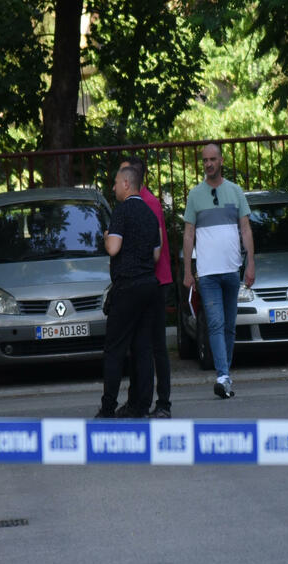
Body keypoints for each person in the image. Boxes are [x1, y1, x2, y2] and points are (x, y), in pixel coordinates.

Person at [182, 143, 255, 399]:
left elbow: (245, 229)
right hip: (208, 273)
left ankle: (225, 375)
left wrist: (251, 263)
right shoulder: (195, 195)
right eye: (205, 160)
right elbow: (188, 234)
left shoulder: (235, 191)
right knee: (215, 323)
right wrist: (187, 270)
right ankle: (222, 376)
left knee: (229, 326)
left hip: (231, 269)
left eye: (213, 159)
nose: (209, 164)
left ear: (221, 161)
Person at [94, 165, 161, 418]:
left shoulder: (122, 211)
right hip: (149, 286)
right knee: (143, 348)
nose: (113, 188)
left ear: (126, 184)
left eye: (115, 183)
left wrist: (106, 236)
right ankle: (141, 405)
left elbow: (113, 248)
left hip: (127, 287)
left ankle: (108, 407)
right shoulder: (150, 214)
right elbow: (156, 255)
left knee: (114, 350)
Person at [120, 155, 172, 418]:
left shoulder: (148, 204)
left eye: (122, 174)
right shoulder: (140, 202)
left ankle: (162, 402)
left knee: (155, 346)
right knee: (140, 345)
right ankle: (138, 401)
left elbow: (153, 248)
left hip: (153, 281)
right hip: (147, 280)